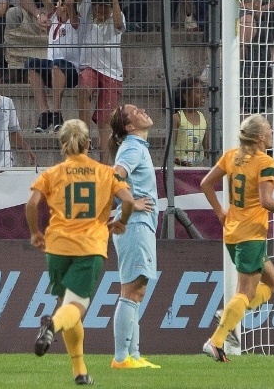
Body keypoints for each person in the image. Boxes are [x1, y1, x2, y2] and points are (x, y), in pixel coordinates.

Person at [26, 118, 134, 385]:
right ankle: (51, 324)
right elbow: (129, 201)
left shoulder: (53, 173)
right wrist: (121, 222)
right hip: (89, 246)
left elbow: (32, 203)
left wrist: (34, 232)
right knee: (76, 306)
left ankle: (80, 372)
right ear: (88, 143)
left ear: (63, 145)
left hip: (57, 246)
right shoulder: (106, 172)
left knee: (67, 305)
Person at [200, 114, 274, 362]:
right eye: (269, 129)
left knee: (273, 282)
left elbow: (206, 183)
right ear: (260, 137)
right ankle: (216, 341)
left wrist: (219, 212)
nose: (272, 132)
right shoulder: (265, 162)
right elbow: (266, 201)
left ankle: (230, 313)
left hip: (232, 232)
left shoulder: (232, 156)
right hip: (251, 234)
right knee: (246, 293)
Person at [108, 104, 161, 369]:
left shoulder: (138, 147)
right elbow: (114, 177)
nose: (143, 110)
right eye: (136, 111)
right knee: (131, 290)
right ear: (129, 126)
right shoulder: (131, 147)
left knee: (137, 290)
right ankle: (121, 358)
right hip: (134, 224)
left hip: (140, 225)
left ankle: (134, 356)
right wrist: (132, 204)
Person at [76, 0, 125, 165]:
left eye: (106, 8)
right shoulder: (87, 13)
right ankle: (83, 141)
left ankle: (103, 164)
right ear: (93, 7)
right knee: (84, 88)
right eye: (99, 8)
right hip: (90, 67)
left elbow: (119, 25)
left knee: (106, 124)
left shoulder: (117, 16)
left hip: (112, 73)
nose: (102, 12)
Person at [25, 0, 83, 133]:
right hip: (52, 68)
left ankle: (57, 113)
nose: (55, 6)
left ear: (64, 7)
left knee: (58, 64)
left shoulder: (75, 21)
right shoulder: (54, 18)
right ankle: (45, 114)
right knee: (31, 64)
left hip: (71, 71)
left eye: (59, 4)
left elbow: (69, 2)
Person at [2, 0, 59, 78]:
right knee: (12, 13)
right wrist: (38, 15)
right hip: (37, 13)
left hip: (64, 15)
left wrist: (55, 15)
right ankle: (15, 67)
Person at [172, 76, 209, 167]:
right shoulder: (177, 118)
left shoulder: (204, 119)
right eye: (198, 92)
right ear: (185, 96)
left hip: (197, 171)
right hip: (178, 172)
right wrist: (177, 160)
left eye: (203, 91)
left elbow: (207, 150)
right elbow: (169, 149)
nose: (203, 95)